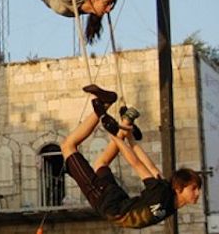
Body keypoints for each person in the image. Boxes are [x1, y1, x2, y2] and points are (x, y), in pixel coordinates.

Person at [62, 84, 203, 228]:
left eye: (197, 188)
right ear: (179, 188)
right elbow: (137, 164)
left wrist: (130, 138)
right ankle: (107, 106)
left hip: (117, 202)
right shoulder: (162, 192)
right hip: (107, 203)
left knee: (101, 164)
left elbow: (149, 165)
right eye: (193, 188)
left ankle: (122, 120)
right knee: (69, 147)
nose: (198, 193)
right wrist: (117, 136)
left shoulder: (166, 192)